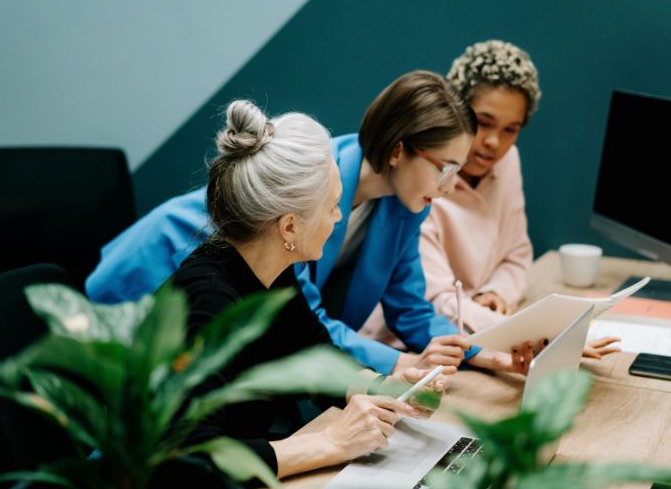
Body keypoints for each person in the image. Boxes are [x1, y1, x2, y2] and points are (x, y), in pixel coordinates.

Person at [87, 70, 531, 375]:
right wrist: (399, 366)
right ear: (399, 151)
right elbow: (308, 318)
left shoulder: (406, 204)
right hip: (158, 269)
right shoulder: (315, 189)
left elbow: (410, 309)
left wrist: (485, 352)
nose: (451, 186)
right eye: (447, 168)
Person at [174, 100, 444, 479]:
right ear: (288, 227)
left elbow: (315, 356)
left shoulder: (275, 271)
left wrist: (391, 388)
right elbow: (190, 457)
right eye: (333, 206)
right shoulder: (207, 302)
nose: (338, 217)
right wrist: (330, 442)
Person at [363, 40, 618, 361]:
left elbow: (517, 253)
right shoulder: (420, 181)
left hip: (475, 333)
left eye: (511, 129)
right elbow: (433, 301)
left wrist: (496, 292)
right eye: (483, 123)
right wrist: (532, 333)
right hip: (409, 345)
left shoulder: (508, 161)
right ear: (456, 111)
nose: (495, 143)